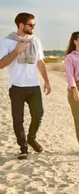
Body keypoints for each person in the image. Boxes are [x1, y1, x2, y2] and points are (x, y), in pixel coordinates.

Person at [0, 13, 51, 159]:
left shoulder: (36, 41)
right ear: (21, 25)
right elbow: (1, 64)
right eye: (30, 25)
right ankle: (23, 148)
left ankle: (31, 138)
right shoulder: (7, 42)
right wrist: (17, 51)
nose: (33, 28)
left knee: (38, 114)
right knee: (18, 119)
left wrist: (46, 81)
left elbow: (40, 62)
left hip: (34, 85)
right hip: (16, 86)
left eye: (34, 25)